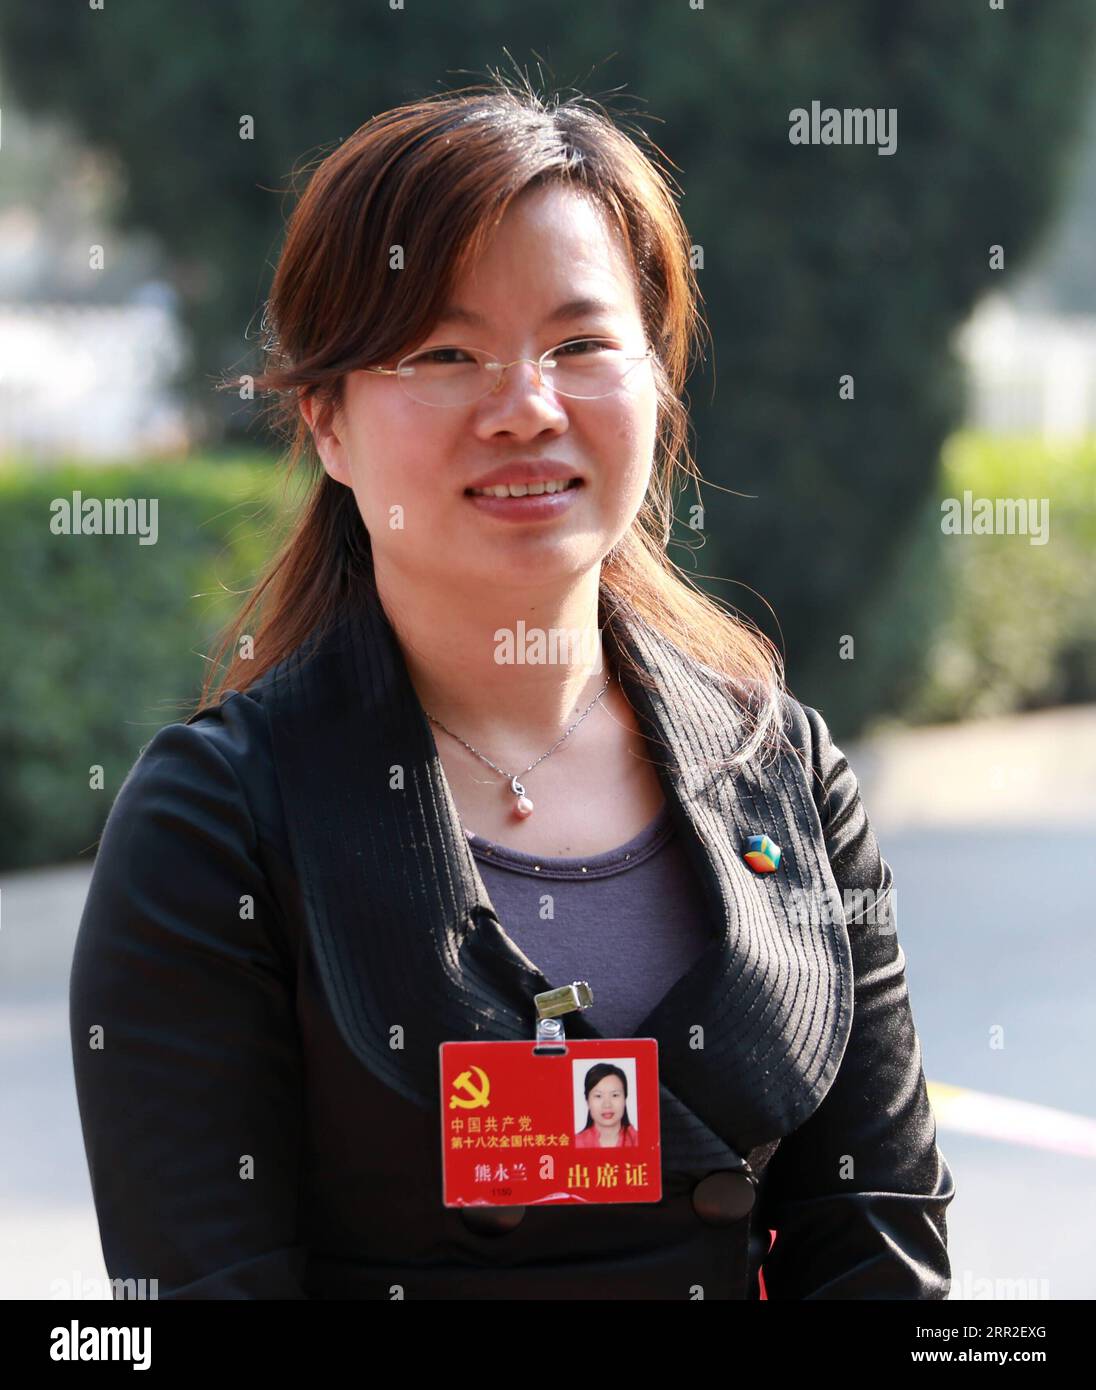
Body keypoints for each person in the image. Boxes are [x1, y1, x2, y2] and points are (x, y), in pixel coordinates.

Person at [69, 73, 955, 1300]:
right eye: (444, 351)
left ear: (654, 385)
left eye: (582, 344)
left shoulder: (784, 774)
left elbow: (881, 1248)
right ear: (326, 419)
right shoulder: (220, 825)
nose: (525, 407)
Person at [574, 1064, 641, 1149]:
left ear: (625, 1098)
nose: (607, 1105)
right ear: (587, 1101)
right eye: (598, 1096)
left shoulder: (639, 1140)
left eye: (615, 1095)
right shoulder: (576, 1143)